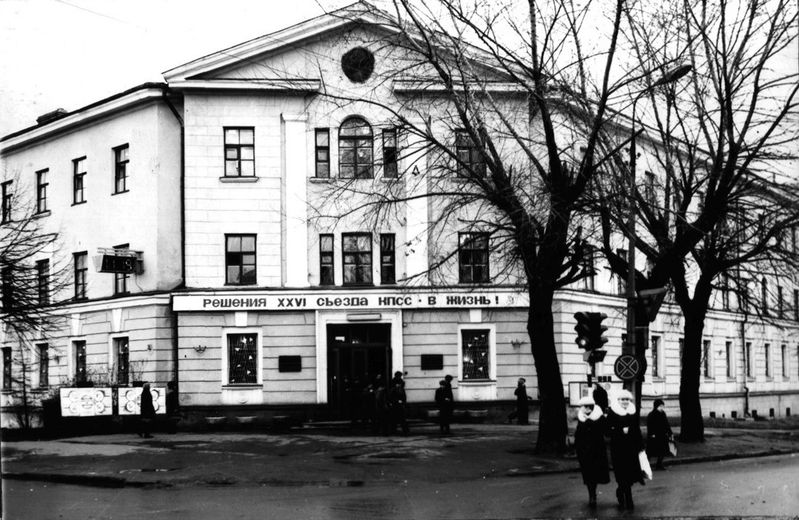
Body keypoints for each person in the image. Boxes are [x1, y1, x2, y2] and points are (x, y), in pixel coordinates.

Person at [606, 389, 644, 511]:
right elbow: (607, 431)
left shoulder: (633, 411)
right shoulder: (613, 412)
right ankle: (627, 498)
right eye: (623, 399)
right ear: (618, 400)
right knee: (622, 474)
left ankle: (623, 494)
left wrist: (640, 446)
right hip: (618, 448)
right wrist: (620, 430)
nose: (625, 401)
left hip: (631, 448)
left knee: (630, 475)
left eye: (627, 399)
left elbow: (637, 429)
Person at [574, 395, 610, 507]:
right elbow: (578, 434)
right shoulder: (581, 418)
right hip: (584, 451)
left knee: (595, 473)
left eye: (589, 406)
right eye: (584, 406)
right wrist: (577, 447)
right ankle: (592, 495)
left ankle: (593, 494)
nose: (586, 408)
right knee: (588, 474)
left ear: (592, 406)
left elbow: (606, 432)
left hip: (597, 450)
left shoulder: (599, 417)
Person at [646, 399, 673, 470]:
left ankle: (659, 464)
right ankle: (645, 466)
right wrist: (652, 434)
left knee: (662, 450)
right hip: (654, 435)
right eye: (660, 406)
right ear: (656, 406)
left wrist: (670, 432)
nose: (662, 408)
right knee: (650, 451)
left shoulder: (663, 414)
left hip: (662, 435)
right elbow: (650, 425)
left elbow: (666, 423)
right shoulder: (651, 414)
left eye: (662, 406)